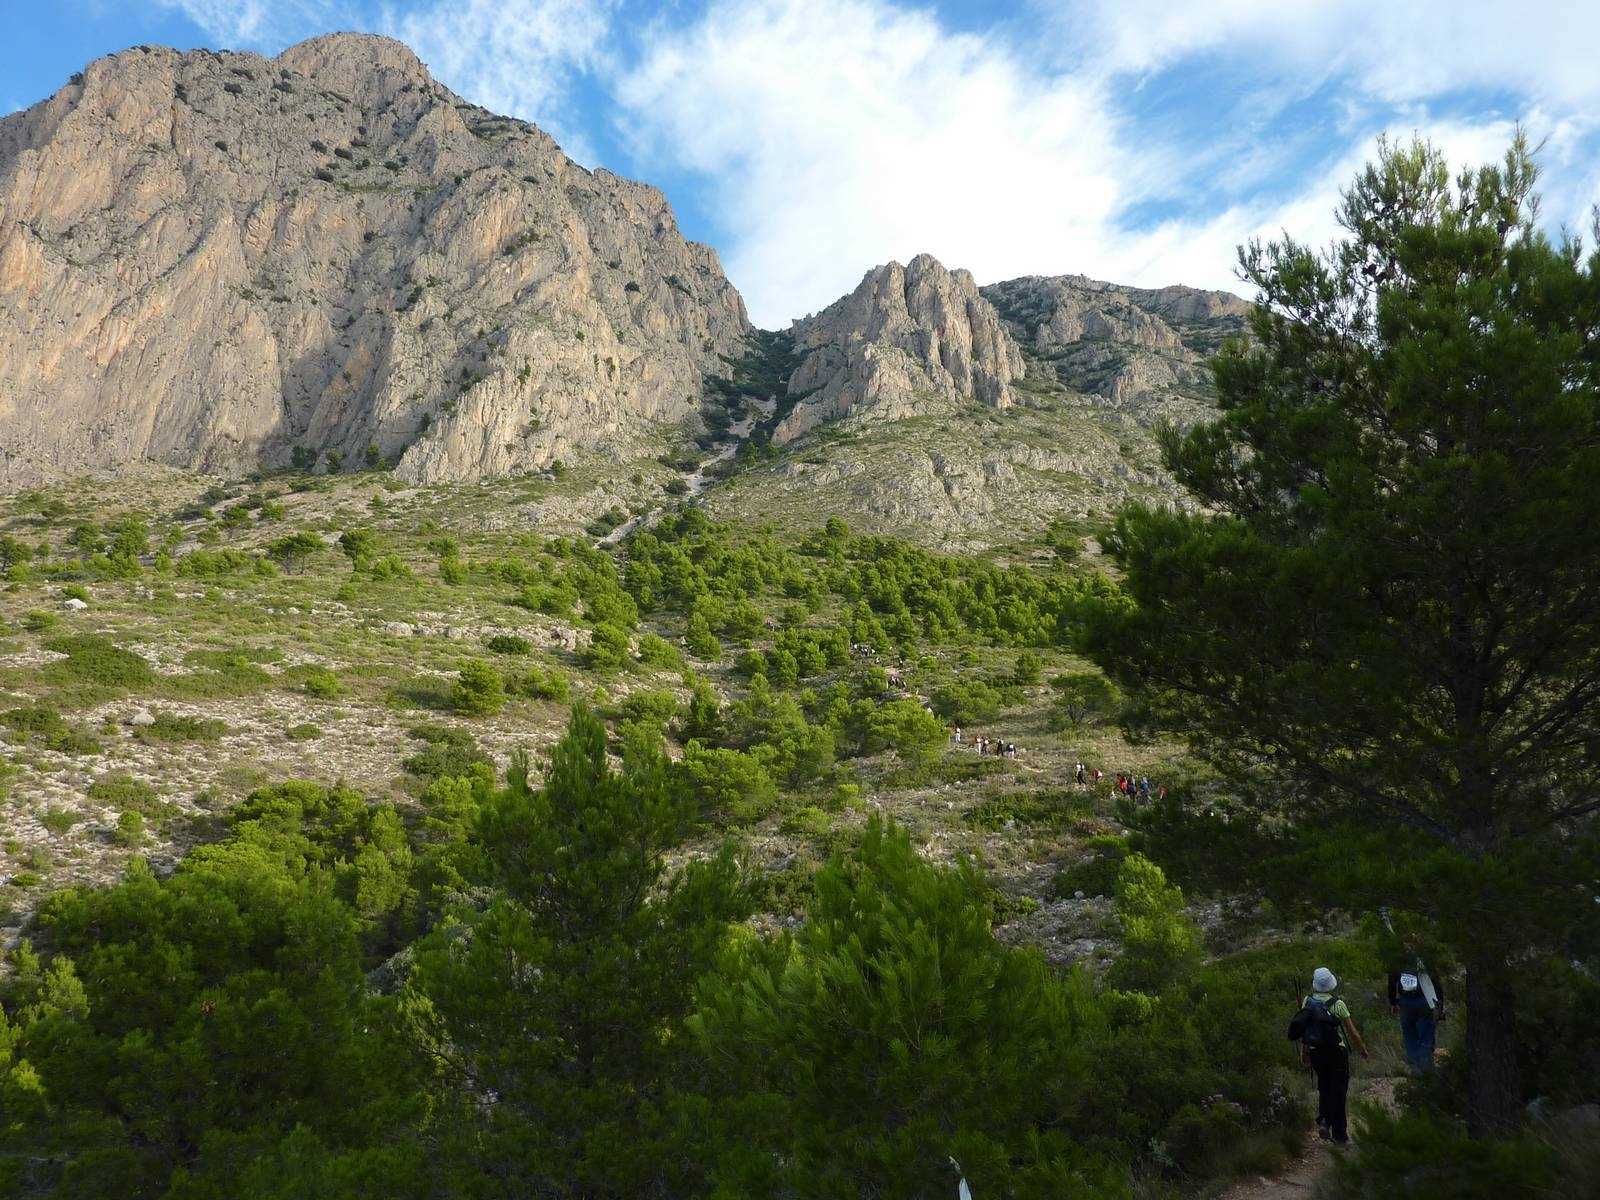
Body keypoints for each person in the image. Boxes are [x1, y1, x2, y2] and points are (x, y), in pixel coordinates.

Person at [1292, 967, 1370, 1145]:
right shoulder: (1338, 1004)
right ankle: (1340, 1135)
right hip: (1337, 1053)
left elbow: (1306, 1029)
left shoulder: (1307, 1001)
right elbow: (1353, 1033)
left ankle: (1325, 1121)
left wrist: (1304, 1053)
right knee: (1339, 1091)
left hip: (1316, 1051)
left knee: (1324, 1087)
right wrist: (1363, 1050)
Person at [1388, 952, 1445, 1073]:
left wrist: (1393, 1002)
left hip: (1405, 1003)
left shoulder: (1397, 959)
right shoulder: (1424, 957)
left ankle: (1416, 1070)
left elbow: (1392, 982)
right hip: (1424, 1001)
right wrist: (1440, 1005)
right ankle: (1425, 1071)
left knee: (1410, 1037)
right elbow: (1435, 982)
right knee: (1425, 1037)